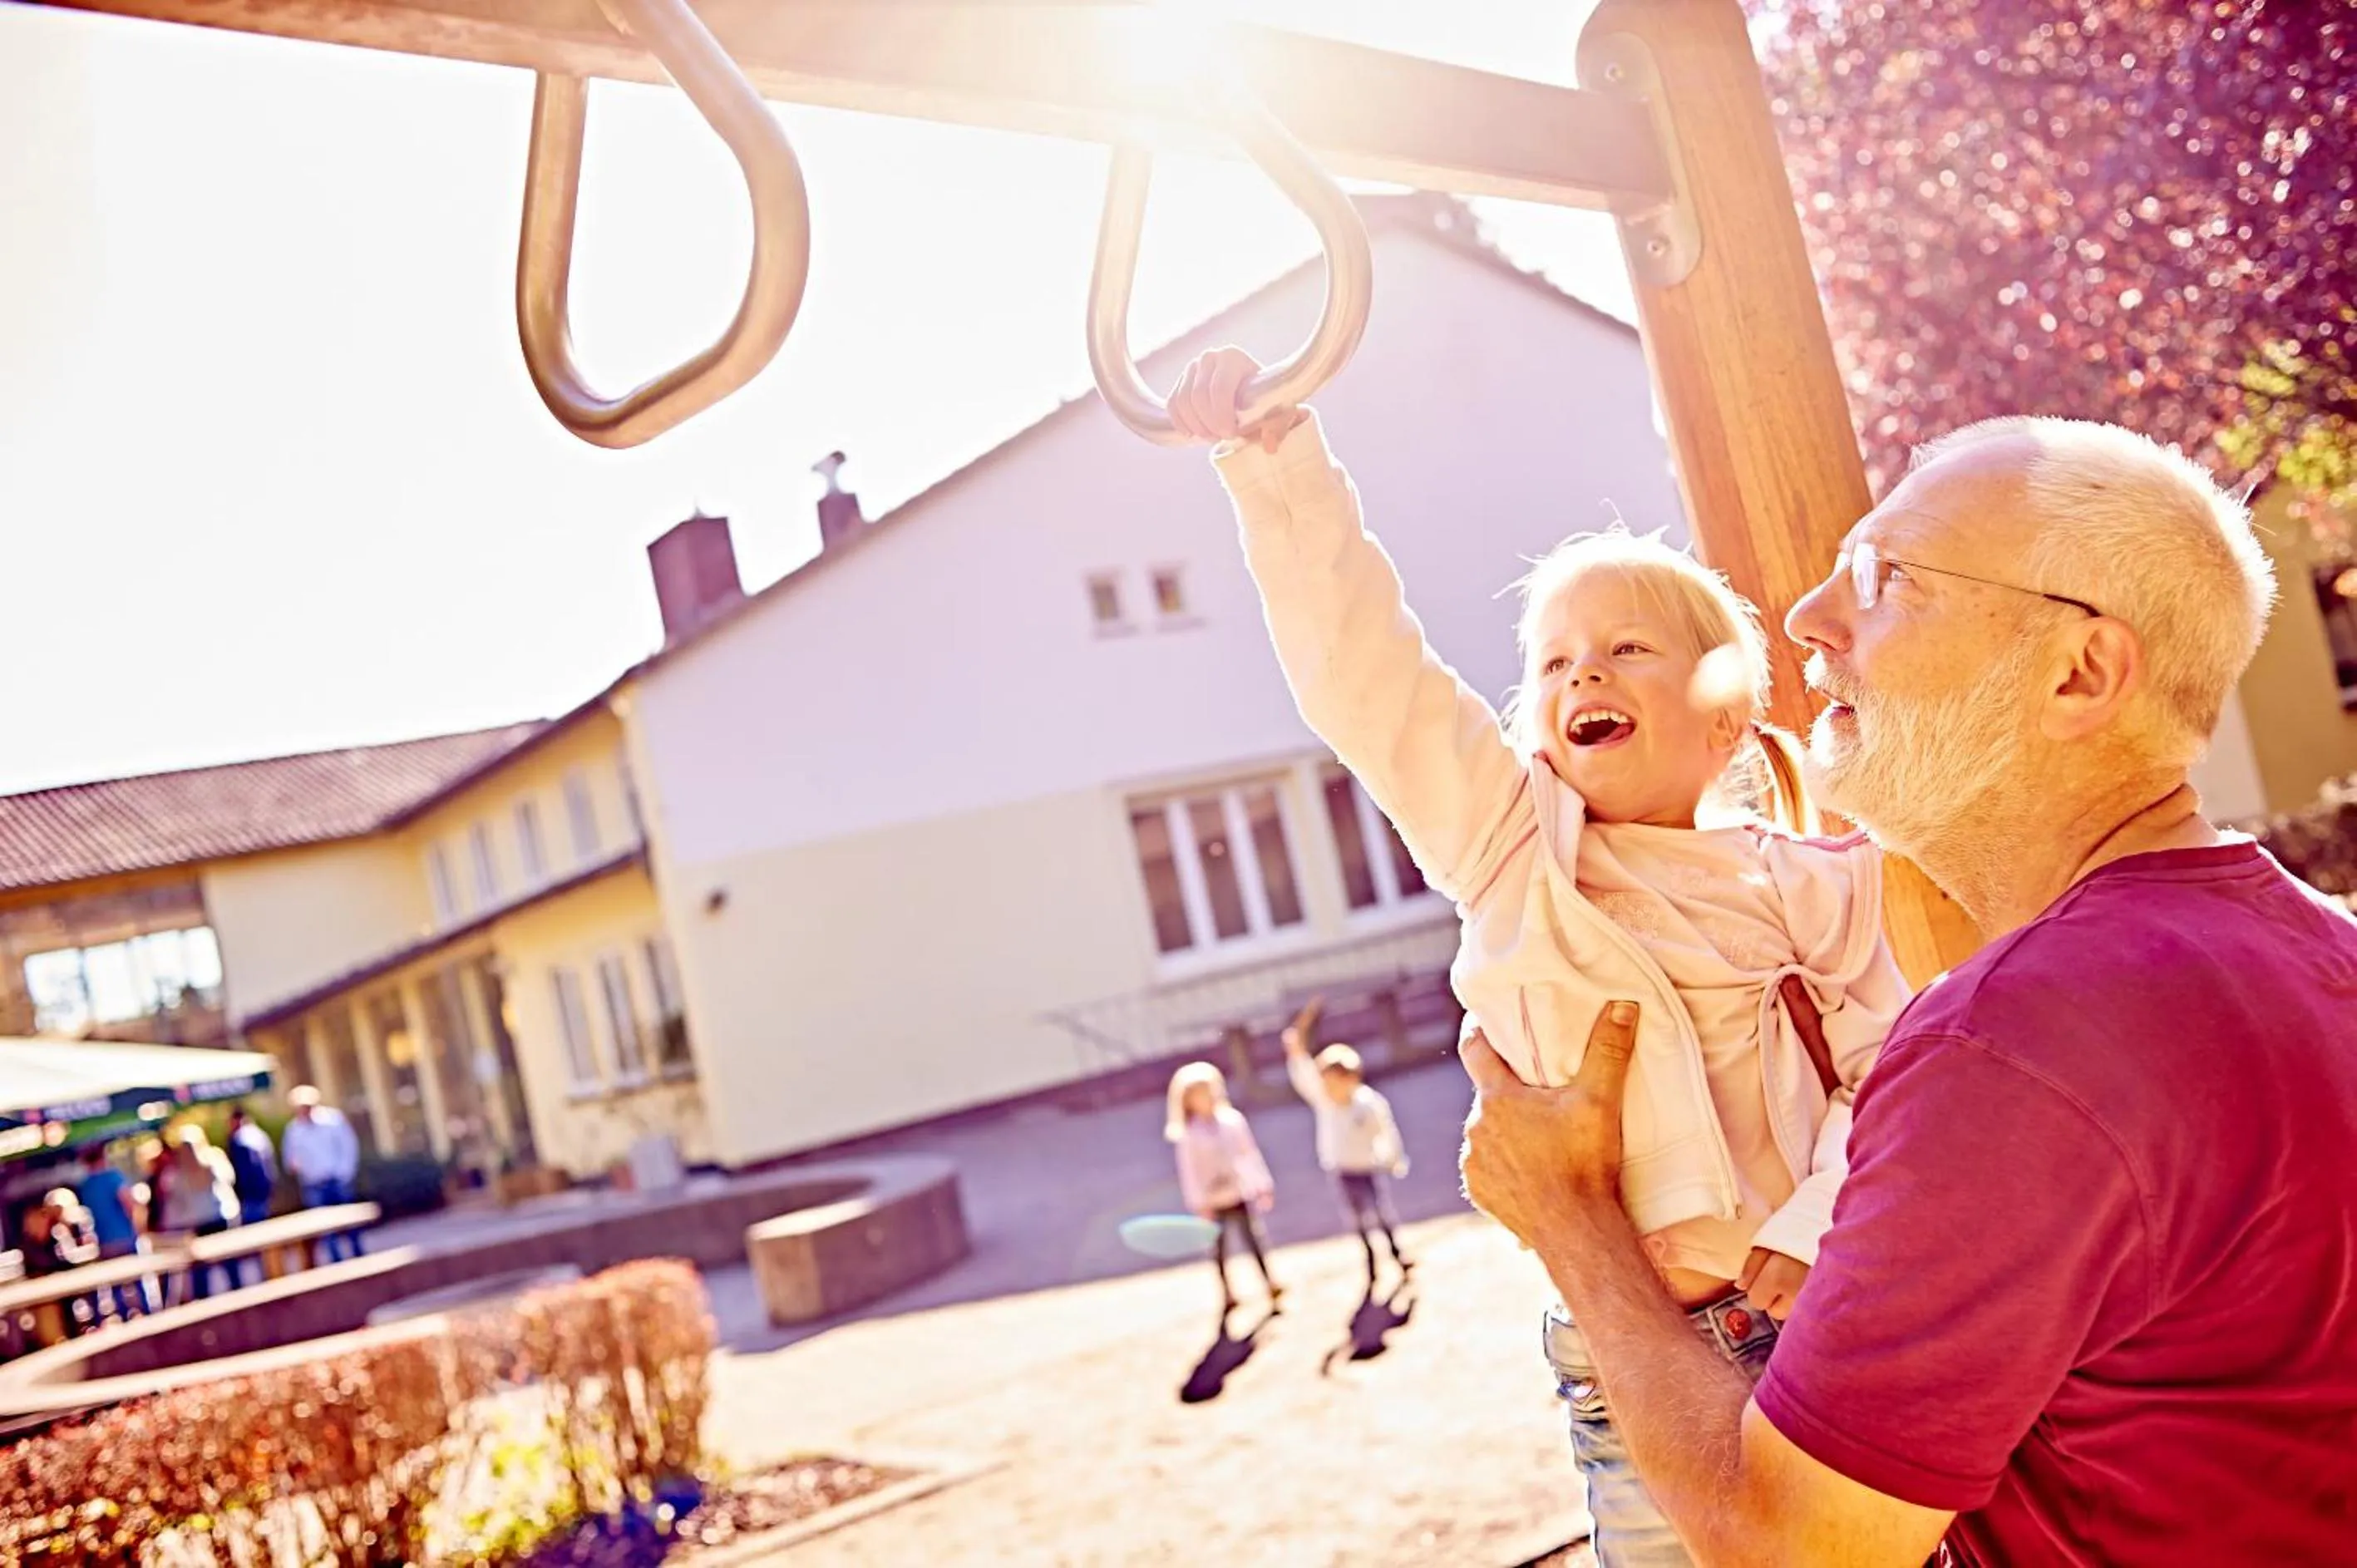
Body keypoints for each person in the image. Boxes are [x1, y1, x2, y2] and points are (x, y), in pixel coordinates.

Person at [1457, 417, 2357, 1565]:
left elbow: (1790, 1549)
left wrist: (1572, 1216)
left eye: (1886, 580)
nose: (1805, 617)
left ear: (2078, 672)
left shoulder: (2017, 1046)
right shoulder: (2323, 952)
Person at [1170, 348, 1911, 1564]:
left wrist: (1816, 1220)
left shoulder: (1805, 880)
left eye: (1628, 649)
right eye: (1556, 661)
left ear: (1725, 718)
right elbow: (1366, 677)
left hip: (1810, 1318)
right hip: (1625, 1356)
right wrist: (1275, 466)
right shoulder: (1510, 846)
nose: (1585, 672)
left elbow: (1889, 1072)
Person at [1278, 1000, 1412, 1287]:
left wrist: (1392, 1158)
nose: (1330, 1087)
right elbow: (1301, 1066)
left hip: (1367, 1166)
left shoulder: (1367, 1103)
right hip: (1342, 1168)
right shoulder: (1323, 1100)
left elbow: (1386, 1130)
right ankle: (1371, 1261)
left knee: (1380, 1211)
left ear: (1352, 1079)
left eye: (1336, 1081)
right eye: (1325, 1081)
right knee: (1358, 1218)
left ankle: (1396, 1253)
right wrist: (1297, 1039)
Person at [1165, 1061, 1284, 1318]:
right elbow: (1189, 1172)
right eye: (1200, 1094)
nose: (1207, 1098)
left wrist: (1262, 1184)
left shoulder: (1232, 1122)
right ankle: (1227, 1292)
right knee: (1219, 1248)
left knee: (1253, 1238)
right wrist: (1199, 1203)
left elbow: (1249, 1154)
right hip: (1213, 1199)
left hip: (1238, 1192)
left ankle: (1269, 1281)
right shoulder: (1189, 1135)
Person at [280, 1086, 362, 1264]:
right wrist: (298, 1167)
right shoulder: (294, 1130)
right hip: (313, 1183)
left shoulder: (332, 1120)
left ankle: (359, 1255)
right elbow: (290, 1158)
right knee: (325, 1227)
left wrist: (344, 1173)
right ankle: (336, 1261)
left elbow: (348, 1146)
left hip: (337, 1179)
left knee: (350, 1220)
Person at [159, 1125, 239, 1301]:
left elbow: (169, 1191)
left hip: (208, 1219)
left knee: (211, 1265)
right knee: (213, 1264)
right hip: (212, 1218)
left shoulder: (188, 1166)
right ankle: (226, 1298)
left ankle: (224, 1298)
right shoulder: (201, 1162)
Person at [75, 1145, 151, 1319]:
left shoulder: (86, 1186)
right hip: (125, 1237)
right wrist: (140, 1227)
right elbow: (129, 1204)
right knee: (138, 1281)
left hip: (104, 1242)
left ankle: (124, 1316)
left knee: (116, 1285)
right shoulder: (113, 1177)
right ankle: (148, 1314)